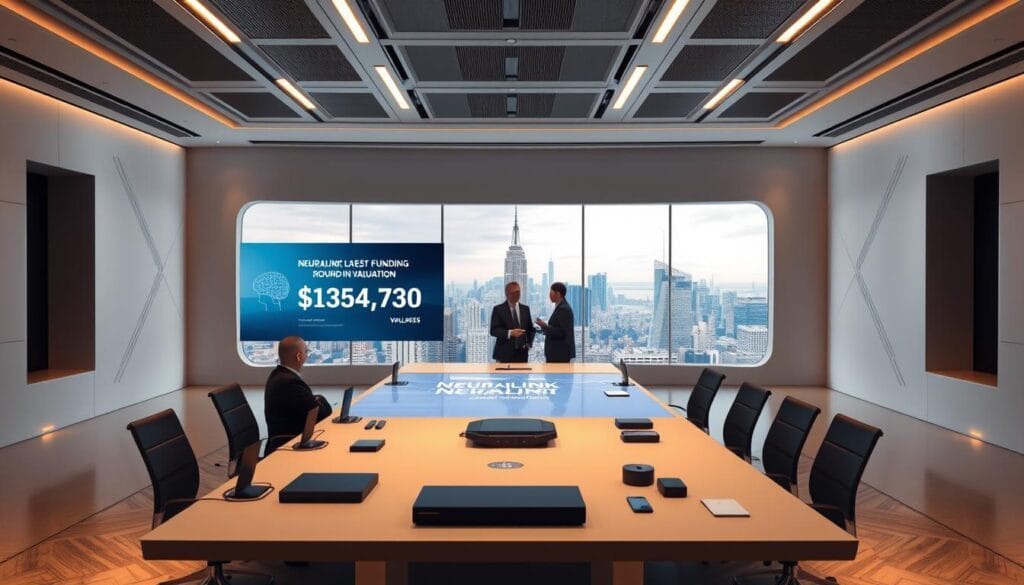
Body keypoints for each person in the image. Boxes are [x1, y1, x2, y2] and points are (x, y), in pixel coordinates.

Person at [264, 336, 332, 454]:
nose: (307, 355)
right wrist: (319, 399)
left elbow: (311, 405)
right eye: (307, 352)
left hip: (290, 440)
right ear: (299, 356)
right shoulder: (290, 383)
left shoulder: (278, 375)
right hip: (288, 445)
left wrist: (316, 399)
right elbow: (322, 414)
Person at [489, 281, 534, 363]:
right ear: (507, 294)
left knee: (522, 376)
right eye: (514, 292)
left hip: (522, 354)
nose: (517, 294)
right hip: (504, 354)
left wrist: (529, 344)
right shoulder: (498, 309)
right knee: (504, 376)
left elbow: (530, 329)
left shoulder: (525, 309)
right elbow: (493, 330)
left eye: (518, 292)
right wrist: (510, 333)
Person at [535, 282, 576, 363]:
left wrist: (545, 326)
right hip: (557, 354)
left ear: (557, 293)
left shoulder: (563, 309)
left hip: (559, 355)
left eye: (551, 293)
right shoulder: (561, 306)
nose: (549, 295)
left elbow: (562, 332)